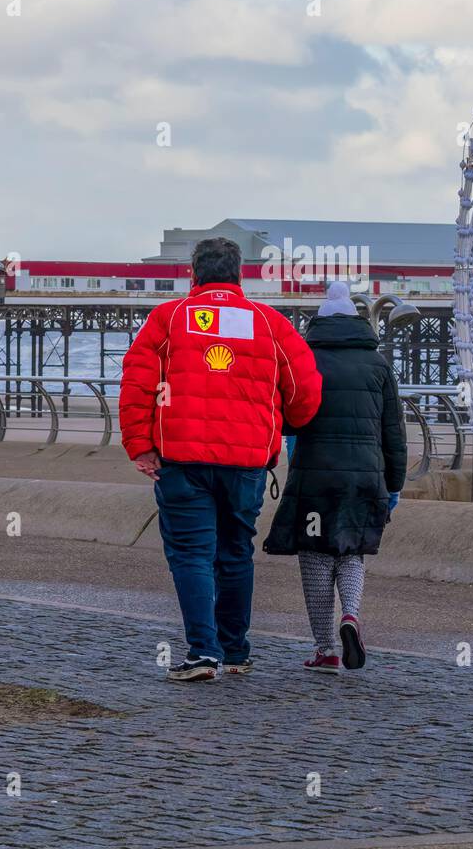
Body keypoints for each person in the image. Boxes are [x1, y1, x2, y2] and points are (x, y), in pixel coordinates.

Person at [119, 237, 322, 681]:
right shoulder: (270, 323)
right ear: (240, 274)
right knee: (234, 553)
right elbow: (305, 390)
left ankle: (202, 654)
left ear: (193, 273)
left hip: (182, 457)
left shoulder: (168, 318)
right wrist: (279, 425)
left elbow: (137, 385)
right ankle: (235, 652)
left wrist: (141, 445)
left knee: (192, 554)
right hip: (248, 461)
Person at [264, 281, 407, 672]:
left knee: (315, 557)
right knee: (351, 550)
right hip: (365, 476)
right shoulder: (379, 365)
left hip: (315, 477)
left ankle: (326, 648)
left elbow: (289, 418)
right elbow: (394, 432)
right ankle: (352, 616)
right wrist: (394, 485)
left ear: (317, 324)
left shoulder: (305, 360)